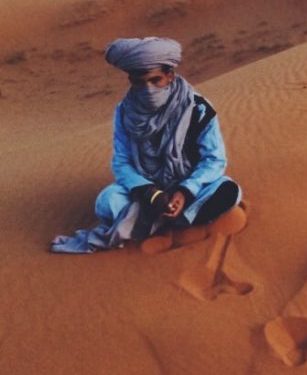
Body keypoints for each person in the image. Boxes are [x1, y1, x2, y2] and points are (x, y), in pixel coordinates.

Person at [51, 37, 242, 254]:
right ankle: (172, 219)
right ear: (131, 80)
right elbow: (121, 163)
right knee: (107, 201)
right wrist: (152, 195)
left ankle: (157, 221)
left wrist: (185, 191)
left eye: (155, 80)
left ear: (170, 76)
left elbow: (214, 159)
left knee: (229, 191)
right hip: (147, 187)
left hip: (188, 183)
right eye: (139, 82)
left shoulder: (198, 108)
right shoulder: (125, 111)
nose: (147, 89)